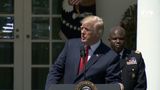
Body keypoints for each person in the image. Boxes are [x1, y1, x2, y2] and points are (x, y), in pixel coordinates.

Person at [45, 15, 122, 90]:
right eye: (81, 28)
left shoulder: (110, 56)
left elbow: (112, 84)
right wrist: (50, 88)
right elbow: (56, 70)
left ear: (98, 33)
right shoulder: (71, 45)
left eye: (87, 29)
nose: (82, 32)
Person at [108, 25, 147, 90]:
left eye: (121, 39)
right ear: (109, 40)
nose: (118, 41)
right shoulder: (103, 58)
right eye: (114, 39)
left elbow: (141, 84)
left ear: (125, 40)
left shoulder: (136, 57)